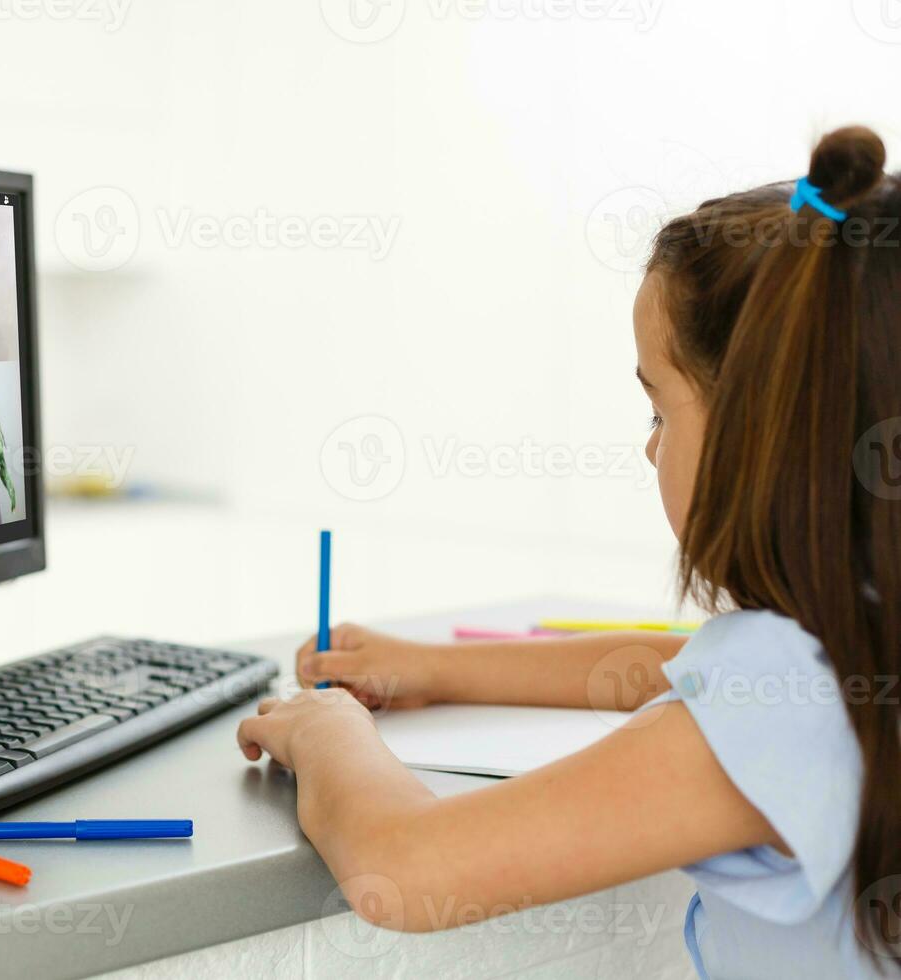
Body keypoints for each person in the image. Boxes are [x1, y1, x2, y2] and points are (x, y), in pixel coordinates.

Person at [237, 126, 901, 978]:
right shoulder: (851, 649)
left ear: (759, 434)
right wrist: (437, 668)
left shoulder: (791, 705)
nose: (651, 448)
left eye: (660, 411)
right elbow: (681, 663)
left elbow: (403, 867)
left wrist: (331, 732)